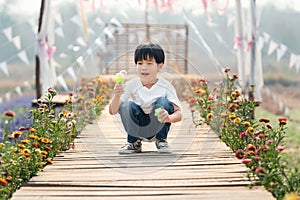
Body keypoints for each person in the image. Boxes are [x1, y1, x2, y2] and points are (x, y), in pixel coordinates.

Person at [108, 43, 182, 154]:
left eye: (149, 63)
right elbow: (113, 111)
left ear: (160, 66)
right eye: (140, 63)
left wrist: (169, 118)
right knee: (126, 105)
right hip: (139, 125)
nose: (144, 67)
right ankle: (134, 142)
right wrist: (117, 95)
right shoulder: (131, 85)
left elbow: (179, 114)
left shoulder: (166, 86)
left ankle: (161, 140)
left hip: (158, 125)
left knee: (163, 102)